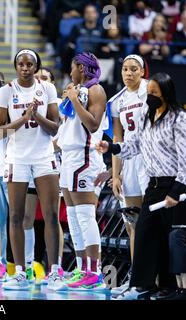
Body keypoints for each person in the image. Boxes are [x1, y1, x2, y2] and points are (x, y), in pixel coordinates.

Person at [96, 72, 186, 300]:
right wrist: (112, 148)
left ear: (165, 93)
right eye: (149, 93)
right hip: (153, 185)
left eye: (154, 93)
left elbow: (185, 157)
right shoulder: (148, 117)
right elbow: (134, 145)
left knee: (167, 239)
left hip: (173, 184)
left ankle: (167, 287)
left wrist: (177, 191)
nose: (150, 97)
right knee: (146, 234)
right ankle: (143, 285)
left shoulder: (179, 118)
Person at [0, 49, 61, 290]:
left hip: (44, 156)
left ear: (36, 66)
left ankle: (54, 271)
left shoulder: (48, 89)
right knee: (17, 216)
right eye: (21, 64)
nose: (25, 67)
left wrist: (36, 116)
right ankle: (20, 271)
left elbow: (54, 128)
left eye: (29, 64)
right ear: (15, 66)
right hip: (17, 158)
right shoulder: (6, 91)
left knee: (52, 215)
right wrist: (24, 118)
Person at [56, 52, 108, 291]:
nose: (70, 71)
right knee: (74, 218)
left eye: (73, 67)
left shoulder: (95, 90)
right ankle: (81, 268)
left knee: (85, 216)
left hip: (85, 158)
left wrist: (75, 99)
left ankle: (95, 272)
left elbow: (93, 124)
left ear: (82, 68)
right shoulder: (76, 89)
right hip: (68, 157)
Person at [108, 54, 150, 295]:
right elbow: (117, 138)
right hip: (130, 161)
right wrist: (116, 173)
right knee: (133, 224)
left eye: (134, 69)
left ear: (142, 72)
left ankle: (156, 280)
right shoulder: (117, 101)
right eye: (125, 69)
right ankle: (137, 279)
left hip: (152, 159)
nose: (129, 73)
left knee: (152, 223)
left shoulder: (152, 91)